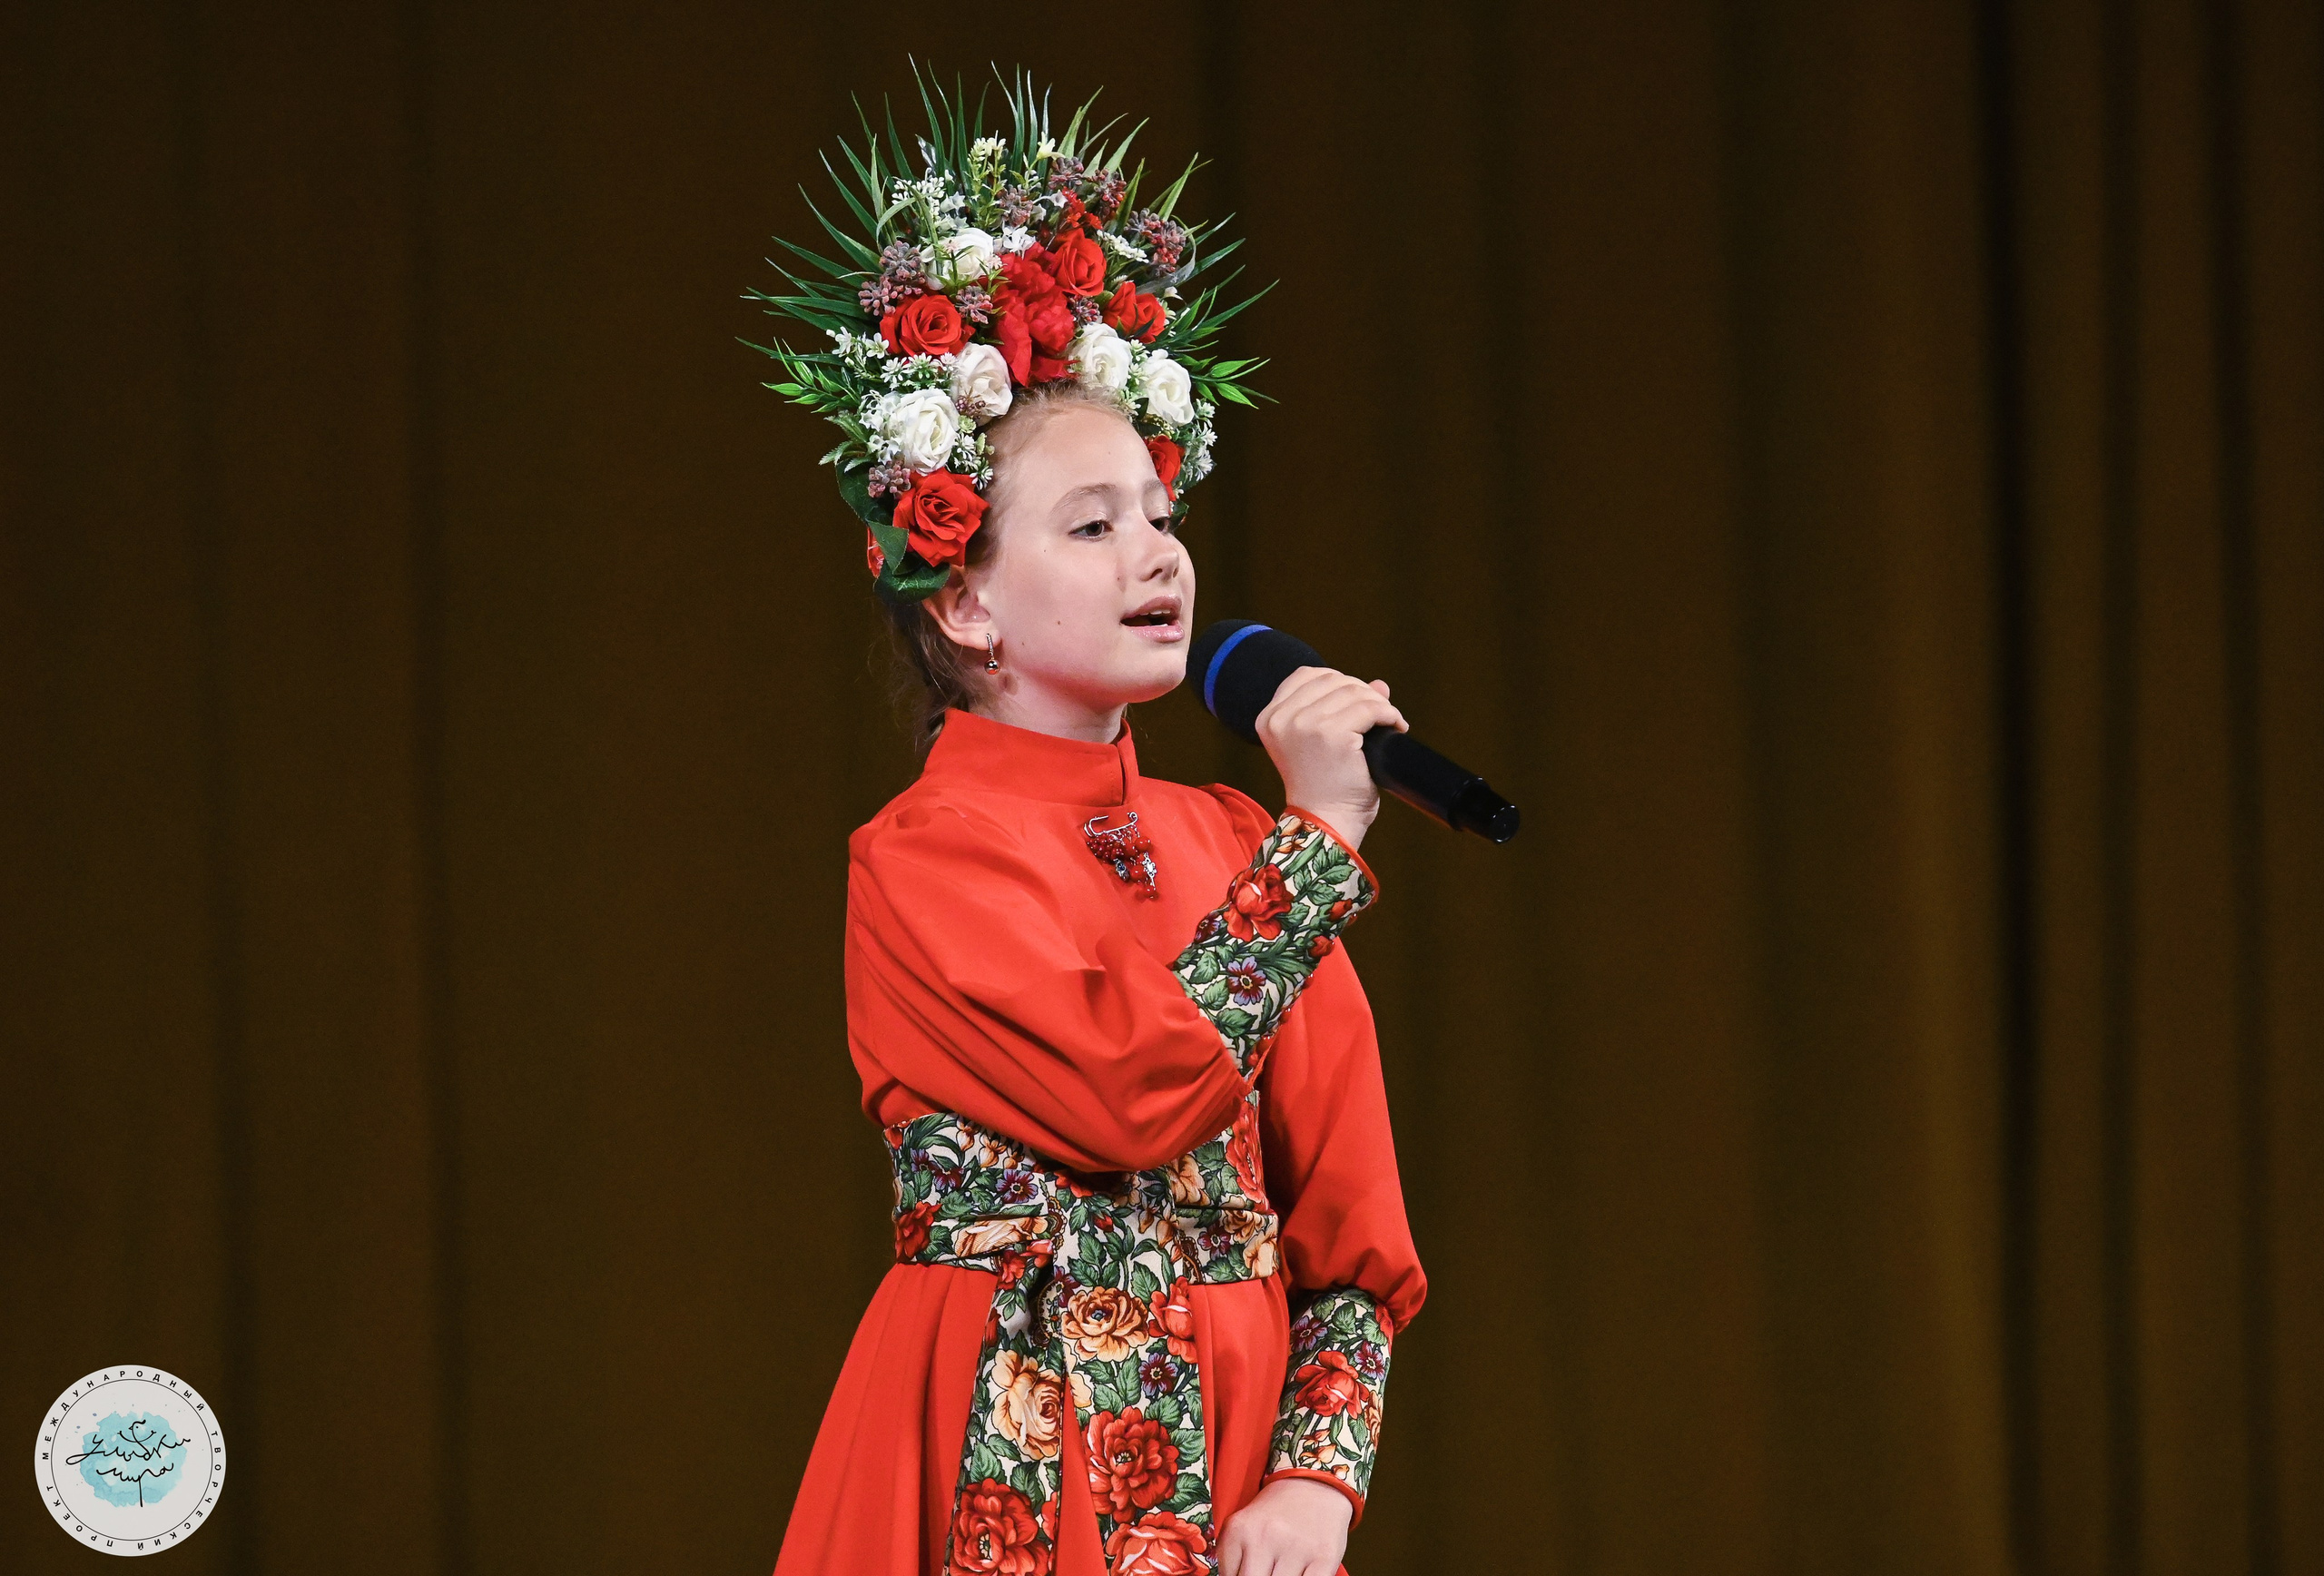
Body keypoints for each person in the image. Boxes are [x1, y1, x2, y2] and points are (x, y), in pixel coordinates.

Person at [755, 82, 1425, 1576]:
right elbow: (1138, 1096)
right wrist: (1318, 839)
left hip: (1240, 1465)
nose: (1158, 555)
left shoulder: (1229, 838)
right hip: (1006, 1454)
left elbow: (1355, 1243)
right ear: (969, 598)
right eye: (1092, 524)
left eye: (1160, 514)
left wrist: (1318, 1483)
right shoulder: (922, 857)